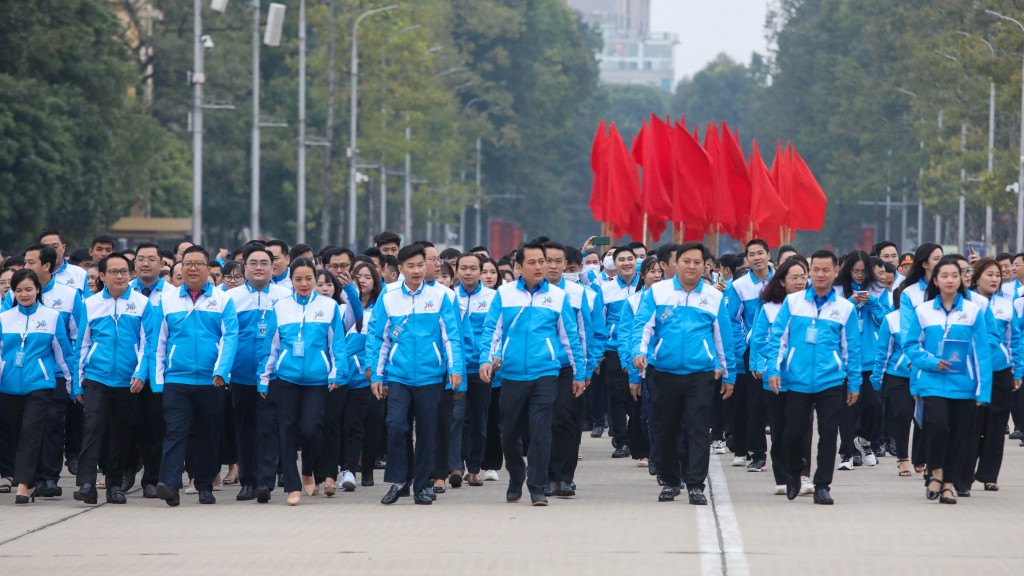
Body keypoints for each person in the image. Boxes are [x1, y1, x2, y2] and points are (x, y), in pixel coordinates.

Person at [479, 241, 583, 506]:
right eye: (533, 262)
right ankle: (516, 476)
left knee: (540, 432)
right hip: (512, 375)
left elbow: (570, 337)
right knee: (509, 434)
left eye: (543, 261)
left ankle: (537, 486)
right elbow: (493, 330)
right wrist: (486, 360)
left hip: (545, 373)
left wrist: (579, 372)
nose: (540, 267)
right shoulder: (504, 294)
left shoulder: (558, 297)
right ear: (519, 266)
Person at [632, 242, 735, 505]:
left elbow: (723, 338)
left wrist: (728, 373)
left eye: (697, 262)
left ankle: (696, 484)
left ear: (704, 266)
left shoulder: (713, 296)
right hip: (663, 371)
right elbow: (643, 326)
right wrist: (639, 352)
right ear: (676, 264)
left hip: (700, 374)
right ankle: (669, 481)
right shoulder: (658, 292)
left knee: (697, 428)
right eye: (686, 261)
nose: (691, 266)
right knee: (664, 428)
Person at [366, 244, 464, 506]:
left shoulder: (441, 297)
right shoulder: (389, 297)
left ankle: (422, 485)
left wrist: (456, 370)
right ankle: (399, 481)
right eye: (410, 266)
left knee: (427, 432)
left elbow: (451, 336)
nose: (417, 270)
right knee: (396, 426)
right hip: (398, 375)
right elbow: (378, 338)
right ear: (400, 269)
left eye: (421, 265)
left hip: (431, 376)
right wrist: (377, 376)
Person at [764, 250, 861, 505]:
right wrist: (773, 369)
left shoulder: (845, 307)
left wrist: (854, 382)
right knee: (792, 433)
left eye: (825, 270)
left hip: (830, 380)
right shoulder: (793, 302)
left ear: (835, 271)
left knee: (829, 435)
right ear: (810, 272)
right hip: (796, 379)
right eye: (815, 270)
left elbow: (851, 348)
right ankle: (794, 472)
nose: (820, 275)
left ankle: (822, 485)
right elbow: (778, 339)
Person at [153, 246, 239, 507]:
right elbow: (158, 343)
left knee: (209, 434)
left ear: (207, 268)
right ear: (181, 267)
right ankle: (169, 483)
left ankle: (204, 485)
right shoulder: (167, 301)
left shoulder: (223, 300)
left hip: (211, 380)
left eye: (198, 264)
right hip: (176, 380)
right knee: (175, 432)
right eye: (187, 263)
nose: (192, 268)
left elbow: (230, 338)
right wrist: (158, 380)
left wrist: (221, 371)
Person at [258, 258, 349, 506]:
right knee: (286, 430)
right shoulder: (280, 307)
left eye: (308, 278)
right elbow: (271, 347)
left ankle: (308, 470)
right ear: (291, 280)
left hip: (317, 380)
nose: (304, 283)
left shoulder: (328, 306)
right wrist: (264, 379)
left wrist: (337, 373)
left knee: (311, 429)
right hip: (285, 378)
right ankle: (292, 485)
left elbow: (336, 344)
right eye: (298, 279)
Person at [904, 256, 992, 505]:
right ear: (936, 280)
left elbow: (982, 353)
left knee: (958, 435)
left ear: (962, 279)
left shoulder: (973, 312)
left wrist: (982, 390)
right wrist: (931, 362)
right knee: (938, 427)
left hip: (963, 384)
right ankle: (936, 471)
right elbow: (910, 345)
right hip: (931, 381)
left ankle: (948, 485)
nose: (950, 280)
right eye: (944, 275)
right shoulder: (923, 311)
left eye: (954, 275)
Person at [3, 244, 84, 497]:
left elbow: (70, 347)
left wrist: (75, 385)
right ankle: (33, 476)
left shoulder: (58, 308)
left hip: (45, 379)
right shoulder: (5, 315)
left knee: (41, 428)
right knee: (19, 432)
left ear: (38, 289)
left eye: (28, 289)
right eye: (19, 291)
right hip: (10, 384)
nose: (23, 294)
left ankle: (35, 482)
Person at [73, 253, 152, 505]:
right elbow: (82, 345)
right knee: (93, 427)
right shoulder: (90, 304)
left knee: (121, 433)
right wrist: (77, 382)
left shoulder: (142, 303)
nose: (120, 276)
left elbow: (147, 343)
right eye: (114, 272)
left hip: (127, 380)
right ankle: (86, 483)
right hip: (97, 377)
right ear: (103, 276)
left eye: (124, 271)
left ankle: (114, 484)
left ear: (131, 275)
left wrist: (141, 372)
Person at [225, 245, 292, 502]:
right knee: (244, 429)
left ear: (272, 267)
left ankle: (265, 481)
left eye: (264, 263)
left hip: (274, 375)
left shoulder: (285, 296)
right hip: (241, 373)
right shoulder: (232, 298)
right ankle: (248, 480)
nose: (259, 268)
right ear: (245, 268)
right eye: (253, 263)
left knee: (268, 428)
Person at [749, 258, 814, 496]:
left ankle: (803, 474)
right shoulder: (768, 307)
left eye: (802, 277)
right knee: (780, 428)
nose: (799, 282)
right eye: (794, 277)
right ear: (782, 281)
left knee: (803, 427)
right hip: (775, 377)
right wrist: (760, 364)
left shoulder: (812, 306)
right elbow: (758, 339)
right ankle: (782, 476)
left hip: (804, 378)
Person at [543, 242, 603, 497]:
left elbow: (594, 335)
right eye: (548, 261)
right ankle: (544, 476)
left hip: (572, 368)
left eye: (559, 261)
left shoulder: (584, 295)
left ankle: (564, 477)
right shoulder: (529, 294)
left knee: (567, 421)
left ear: (567, 264)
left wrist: (586, 369)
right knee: (542, 422)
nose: (553, 266)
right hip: (540, 367)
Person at [960, 258, 1020, 493]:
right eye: (989, 275)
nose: (995, 279)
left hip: (1000, 371)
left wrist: (1017, 369)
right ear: (976, 277)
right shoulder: (967, 302)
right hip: (972, 373)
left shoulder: (1006, 305)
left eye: (997, 275)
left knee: (996, 426)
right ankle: (963, 477)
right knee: (972, 425)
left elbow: (1014, 339)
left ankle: (989, 475)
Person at [834, 250, 888, 470]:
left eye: (862, 271)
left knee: (873, 406)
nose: (858, 275)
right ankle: (846, 454)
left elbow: (887, 322)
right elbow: (832, 318)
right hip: (845, 359)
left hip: (870, 359)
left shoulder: (879, 290)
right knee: (848, 410)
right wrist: (849, 302)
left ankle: (863, 441)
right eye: (854, 271)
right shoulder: (837, 290)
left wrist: (873, 302)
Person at [724, 239, 775, 471]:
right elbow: (733, 320)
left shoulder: (781, 280)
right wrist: (743, 346)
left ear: (768, 254)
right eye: (752, 254)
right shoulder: (740, 286)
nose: (757, 258)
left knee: (777, 403)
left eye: (760, 253)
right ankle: (757, 453)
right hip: (752, 351)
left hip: (781, 350)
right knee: (754, 404)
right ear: (747, 259)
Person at [453, 253, 497, 487]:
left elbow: (497, 332)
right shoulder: (449, 297)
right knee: (457, 418)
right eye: (463, 268)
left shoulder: (493, 297)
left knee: (479, 419)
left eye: (473, 268)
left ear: (481, 271)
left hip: (482, 367)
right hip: (457, 368)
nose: (468, 272)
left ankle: (474, 468)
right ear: (457, 270)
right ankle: (455, 466)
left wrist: (490, 359)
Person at [598, 246, 640, 458]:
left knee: (637, 396)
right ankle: (621, 440)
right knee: (617, 395)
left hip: (639, 349)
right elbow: (601, 321)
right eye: (621, 259)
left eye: (629, 259)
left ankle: (636, 439)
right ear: (615, 263)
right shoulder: (605, 290)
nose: (626, 263)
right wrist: (601, 350)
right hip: (614, 349)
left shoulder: (645, 287)